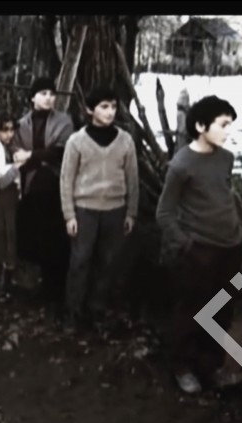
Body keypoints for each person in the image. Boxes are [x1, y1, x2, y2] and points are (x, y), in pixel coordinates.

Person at [156, 95, 242, 394]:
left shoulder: (226, 158)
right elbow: (164, 212)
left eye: (230, 125)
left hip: (231, 248)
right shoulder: (181, 165)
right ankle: (181, 365)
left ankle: (212, 366)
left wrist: (241, 230)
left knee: (222, 310)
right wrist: (186, 245)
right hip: (200, 252)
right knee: (192, 309)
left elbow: (224, 195)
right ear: (200, 126)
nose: (228, 131)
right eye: (222, 124)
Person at [60, 87, 139, 330]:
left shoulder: (125, 141)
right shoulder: (77, 142)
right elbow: (66, 179)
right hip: (85, 210)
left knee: (108, 262)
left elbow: (132, 179)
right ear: (90, 109)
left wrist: (131, 212)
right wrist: (69, 215)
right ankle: (73, 312)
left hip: (115, 210)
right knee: (80, 261)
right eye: (104, 107)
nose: (110, 112)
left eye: (113, 107)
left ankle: (98, 310)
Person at [13, 77, 74, 313]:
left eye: (51, 93)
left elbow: (61, 151)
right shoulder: (22, 124)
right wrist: (32, 158)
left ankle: (55, 288)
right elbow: (15, 152)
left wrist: (31, 156)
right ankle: (31, 286)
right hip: (30, 187)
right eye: (43, 93)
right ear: (33, 97)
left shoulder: (64, 121)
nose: (48, 98)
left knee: (55, 238)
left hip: (55, 187)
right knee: (31, 235)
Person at [0, 111, 31, 302]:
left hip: (9, 204)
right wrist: (17, 167)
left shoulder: (8, 147)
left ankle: (7, 284)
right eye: (5, 130)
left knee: (9, 242)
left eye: (11, 130)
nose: (9, 134)